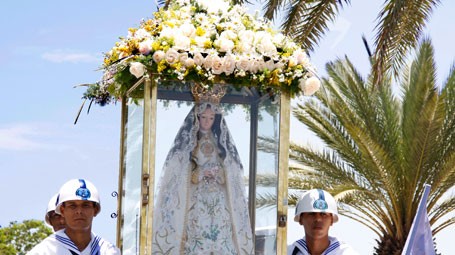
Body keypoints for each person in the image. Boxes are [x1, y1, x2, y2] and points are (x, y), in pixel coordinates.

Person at [151, 84, 254, 254]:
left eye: (211, 118)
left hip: (220, 204)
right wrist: (198, 173)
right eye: (203, 117)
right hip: (195, 202)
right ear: (196, 117)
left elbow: (233, 171)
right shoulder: (187, 145)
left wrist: (220, 173)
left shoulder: (221, 144)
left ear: (216, 119)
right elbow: (176, 170)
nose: (207, 121)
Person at [27, 179, 120, 255]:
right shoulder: (44, 251)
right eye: (72, 206)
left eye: (85, 205)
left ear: (95, 210)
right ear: (62, 211)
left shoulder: (109, 251)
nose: (79, 211)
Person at [288, 189, 359, 255]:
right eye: (311, 214)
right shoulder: (286, 252)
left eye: (323, 214)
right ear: (300, 219)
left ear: (331, 220)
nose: (318, 219)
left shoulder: (346, 253)